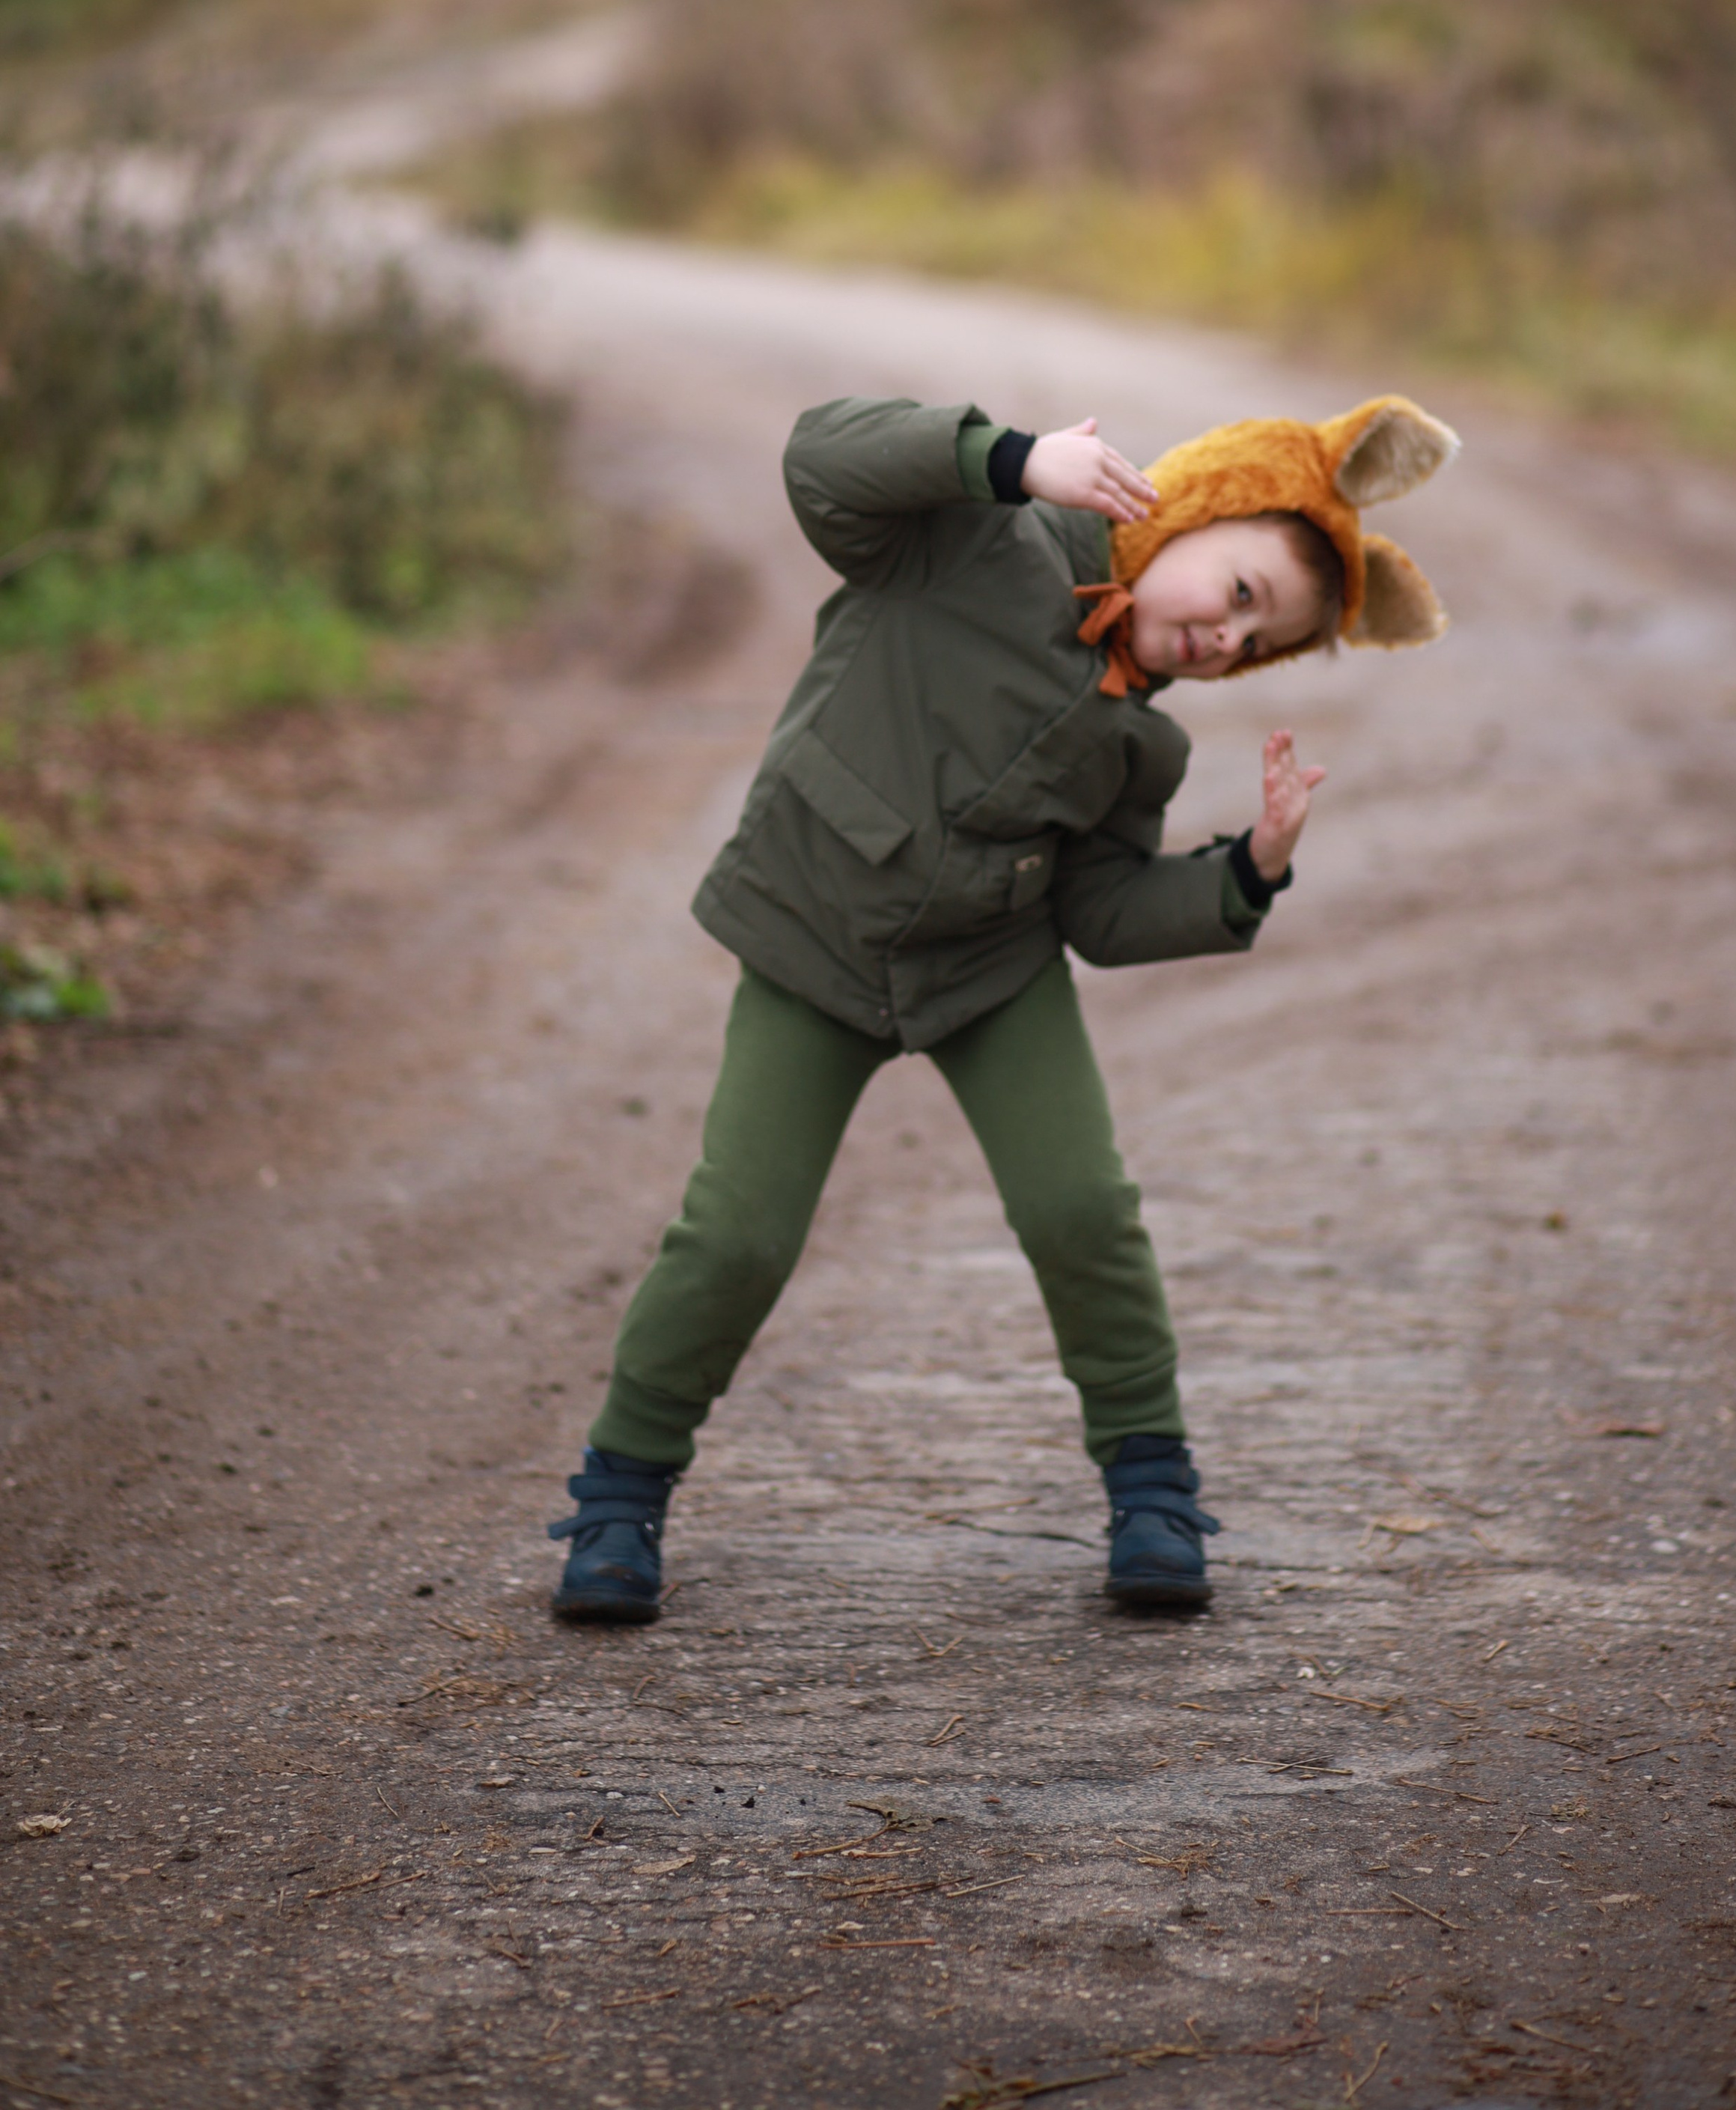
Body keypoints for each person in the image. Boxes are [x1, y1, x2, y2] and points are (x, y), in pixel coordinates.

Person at [549, 392, 1456, 1621]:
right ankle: (620, 1497)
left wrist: (1250, 869)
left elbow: (1103, 913)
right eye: (1239, 595)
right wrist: (1015, 461)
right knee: (739, 1234)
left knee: (1085, 1208)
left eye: (1257, 647)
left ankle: (1153, 1489)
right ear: (1195, 507)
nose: (1224, 643)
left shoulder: (1140, 745)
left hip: (990, 965)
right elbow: (823, 460)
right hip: (819, 933)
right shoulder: (975, 532)